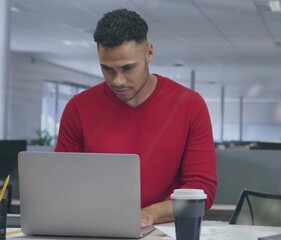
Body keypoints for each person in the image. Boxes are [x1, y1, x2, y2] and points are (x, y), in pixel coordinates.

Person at [54, 9, 217, 227]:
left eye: (128, 68)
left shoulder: (190, 104)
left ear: (149, 52)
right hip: (96, 226)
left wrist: (150, 214)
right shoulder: (78, 107)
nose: (118, 81)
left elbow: (202, 189)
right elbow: (62, 182)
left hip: (162, 229)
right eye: (107, 69)